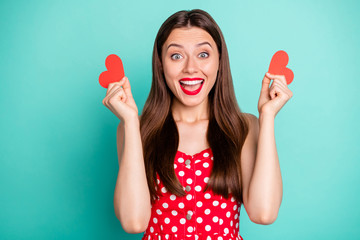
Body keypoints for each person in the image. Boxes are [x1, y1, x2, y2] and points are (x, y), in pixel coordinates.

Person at [103, 9, 293, 240]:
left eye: (203, 54)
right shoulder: (134, 129)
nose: (191, 68)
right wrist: (131, 121)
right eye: (176, 56)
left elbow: (264, 213)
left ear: (219, 62)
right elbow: (133, 222)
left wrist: (268, 117)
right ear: (160, 64)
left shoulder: (244, 127)